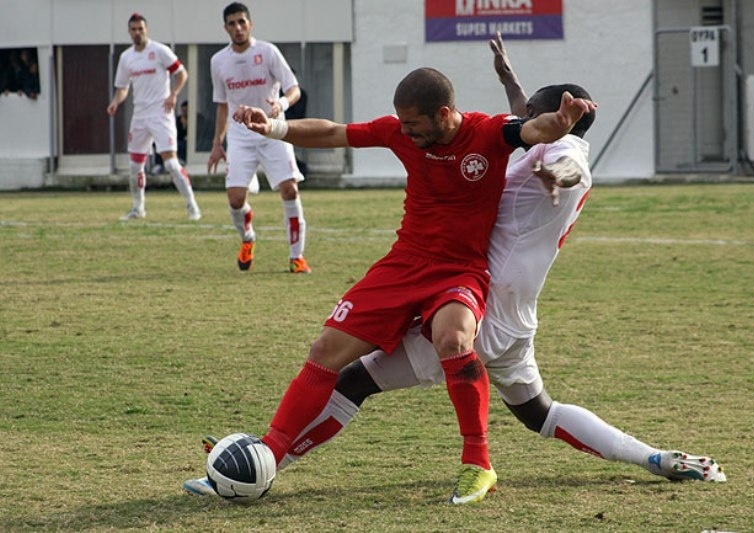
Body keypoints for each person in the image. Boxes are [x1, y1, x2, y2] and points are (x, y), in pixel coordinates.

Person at [182, 34, 723, 503]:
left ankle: (265, 465)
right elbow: (521, 123)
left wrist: (557, 157)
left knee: (360, 378)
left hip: (481, 303)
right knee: (537, 412)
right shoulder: (502, 136)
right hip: (512, 316)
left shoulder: (561, 151)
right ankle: (655, 458)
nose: (520, 118)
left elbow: (554, 148)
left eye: (531, 116)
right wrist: (512, 79)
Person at [208, 2, 310, 273]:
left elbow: (293, 89)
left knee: (290, 189)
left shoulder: (267, 52)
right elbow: (222, 105)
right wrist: (218, 143)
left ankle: (296, 257)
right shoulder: (218, 61)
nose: (238, 28)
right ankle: (248, 237)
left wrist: (281, 105)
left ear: (250, 24)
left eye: (242, 22)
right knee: (235, 200)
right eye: (232, 23)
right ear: (225, 28)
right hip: (240, 135)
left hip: (273, 129)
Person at [107, 13, 201, 222]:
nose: (137, 33)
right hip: (140, 117)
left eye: (141, 29)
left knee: (171, 165)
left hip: (161, 115)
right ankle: (138, 208)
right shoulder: (126, 57)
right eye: (133, 29)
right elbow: (122, 88)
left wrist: (173, 94)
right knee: (135, 166)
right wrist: (115, 102)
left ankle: (192, 205)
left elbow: (182, 73)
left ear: (146, 30)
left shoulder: (159, 51)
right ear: (129, 32)